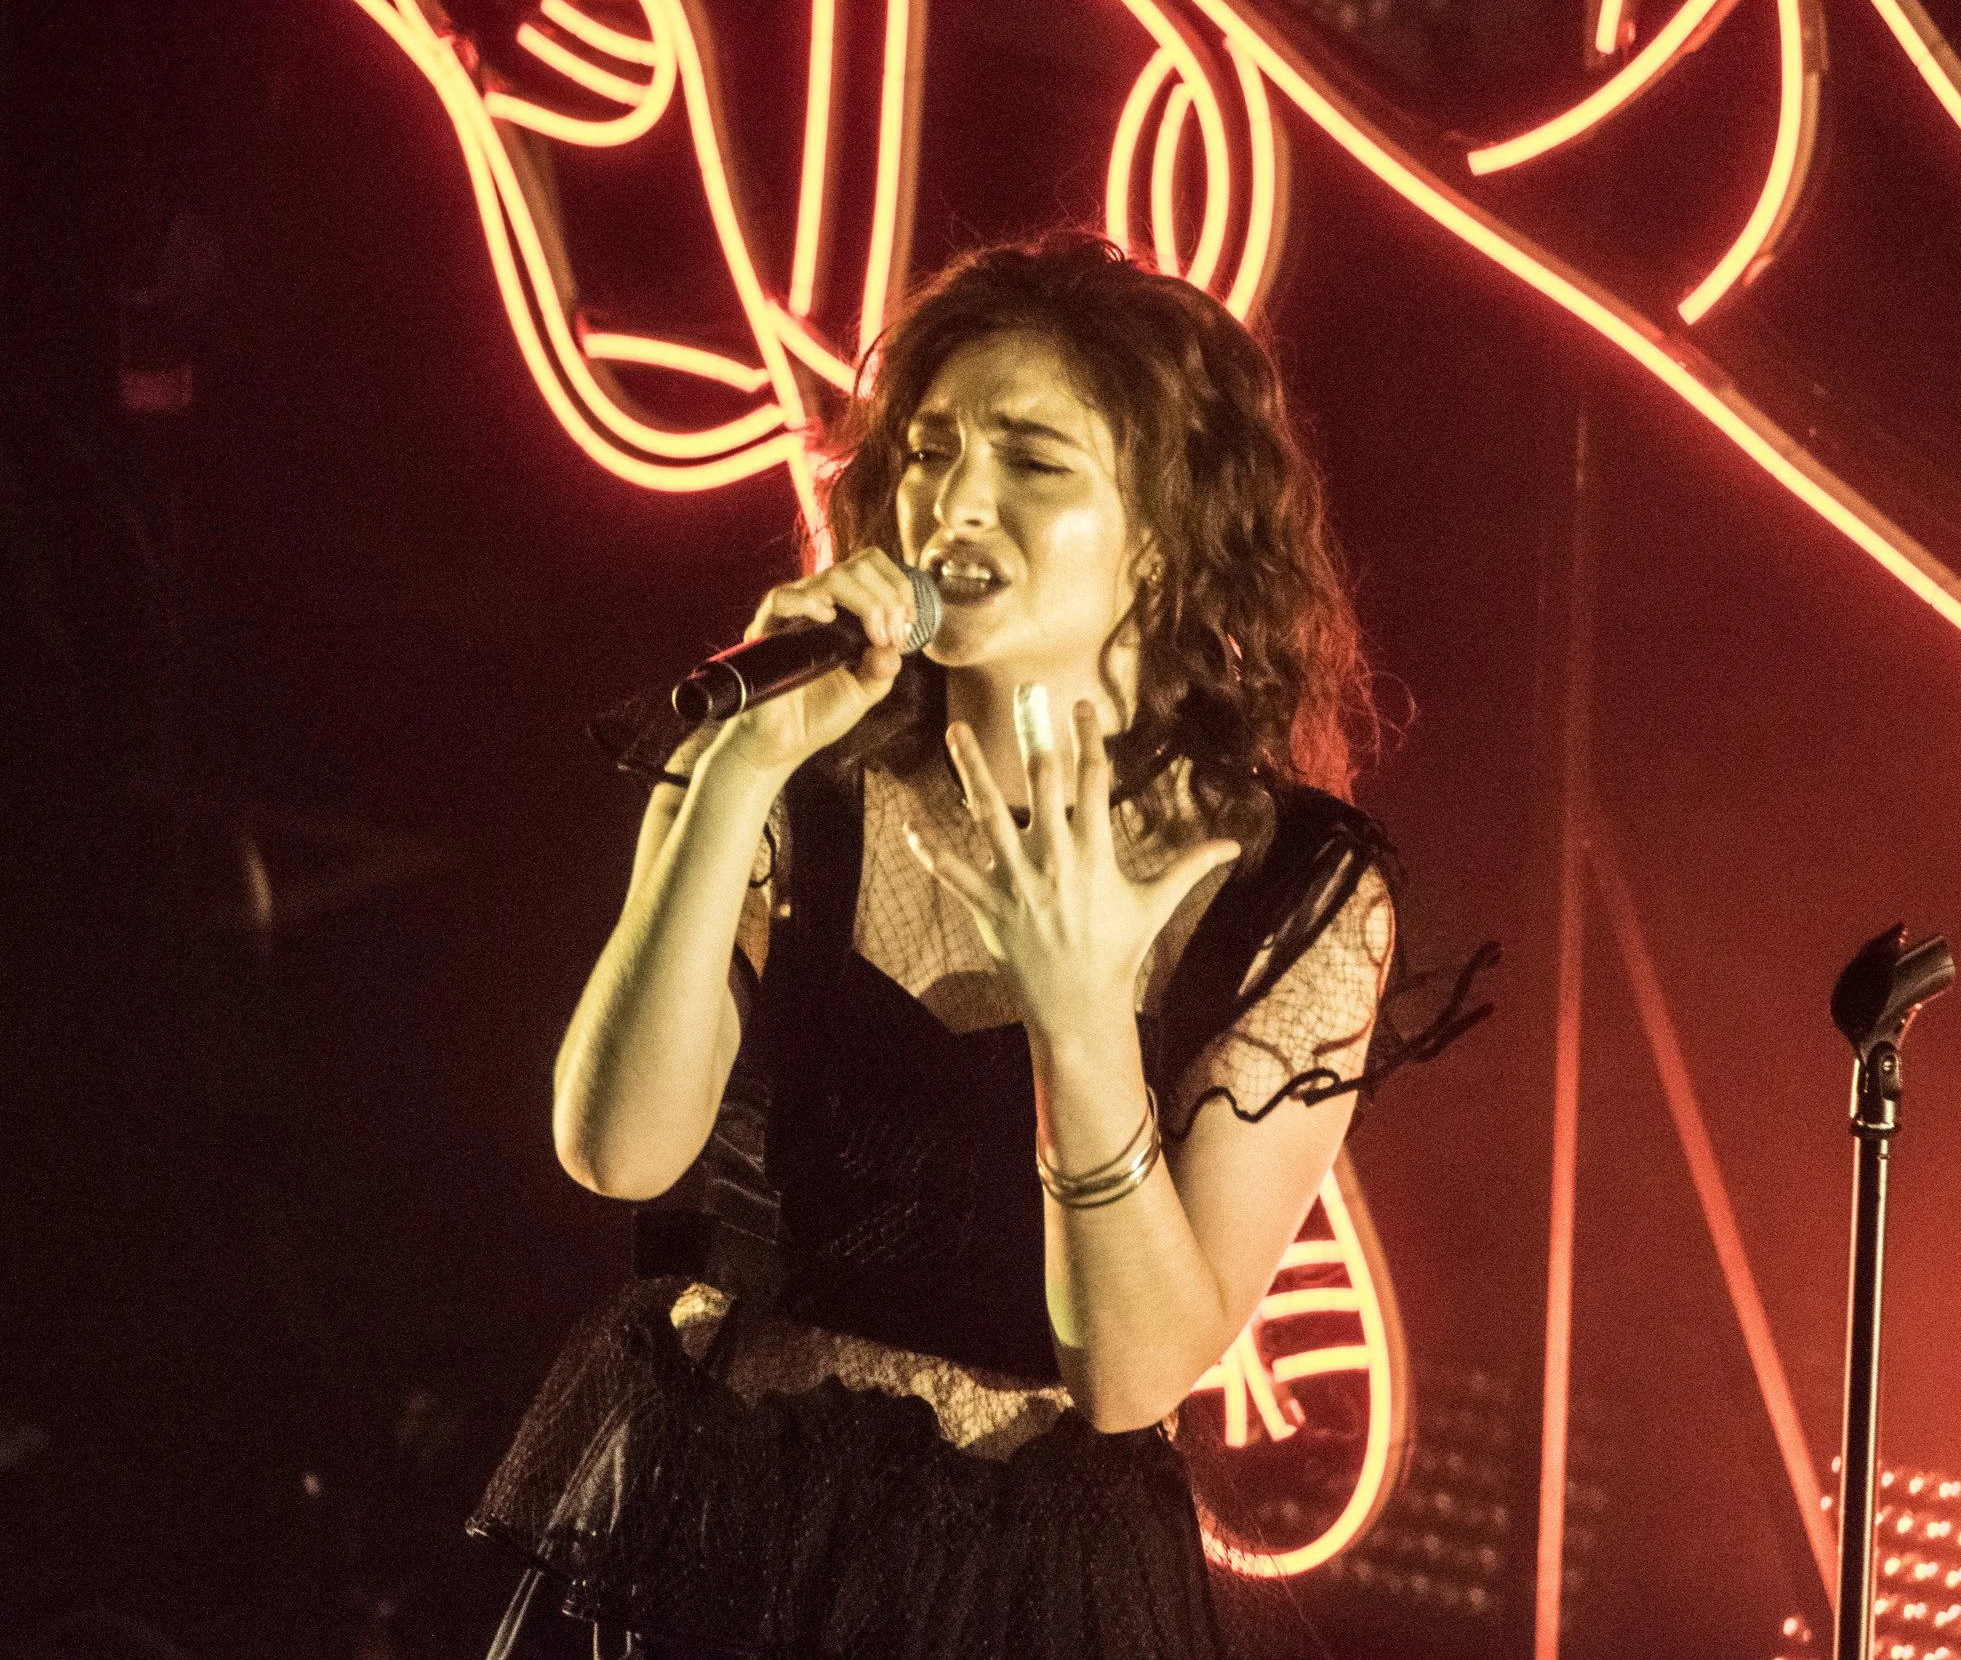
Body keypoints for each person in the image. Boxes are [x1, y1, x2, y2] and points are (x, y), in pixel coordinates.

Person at [474, 233, 1476, 1659]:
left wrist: (1079, 1020)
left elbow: (1130, 1370)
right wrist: (734, 775)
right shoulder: (787, 789)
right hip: (729, 1539)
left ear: (1167, 525)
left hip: (1020, 1589)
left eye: (1032, 458)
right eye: (932, 450)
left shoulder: (1290, 891)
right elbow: (617, 1149)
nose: (956, 499)